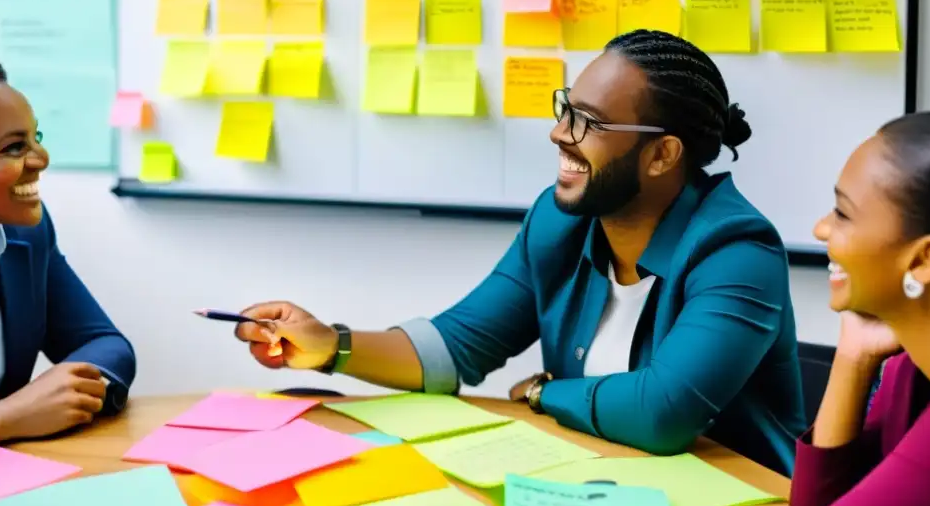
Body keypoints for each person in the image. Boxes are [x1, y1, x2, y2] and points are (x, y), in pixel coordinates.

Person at [237, 30, 806, 475]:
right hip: (607, 493)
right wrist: (328, 345)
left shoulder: (737, 251)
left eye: (588, 121)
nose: (560, 133)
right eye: (566, 109)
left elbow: (661, 413)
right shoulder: (561, 221)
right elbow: (455, 347)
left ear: (662, 155)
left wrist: (542, 392)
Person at [789, 112, 930, 506]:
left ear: (924, 259)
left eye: (842, 214)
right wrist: (853, 358)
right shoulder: (912, 364)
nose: (820, 229)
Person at [0, 53, 136, 445]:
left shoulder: (25, 233)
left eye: (37, 138)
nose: (42, 159)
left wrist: (73, 389)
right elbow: (13, 415)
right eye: (15, 147)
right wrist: (4, 418)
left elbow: (104, 343)